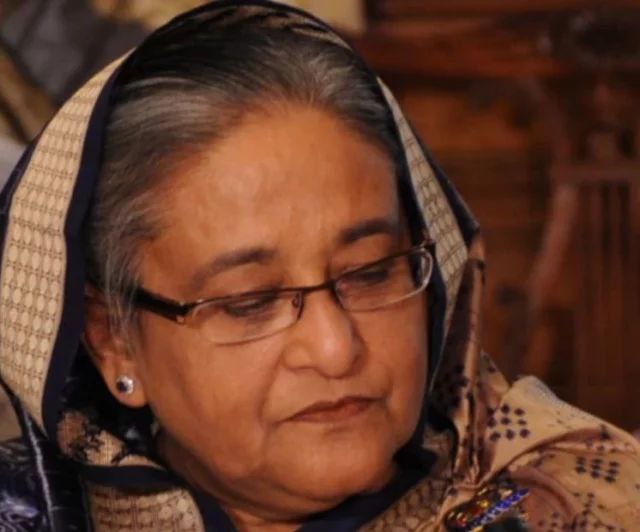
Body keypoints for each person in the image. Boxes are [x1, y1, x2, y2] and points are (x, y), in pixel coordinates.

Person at [0, 1, 638, 530]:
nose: (335, 349)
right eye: (250, 301)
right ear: (114, 341)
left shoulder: (575, 500)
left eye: (371, 272)